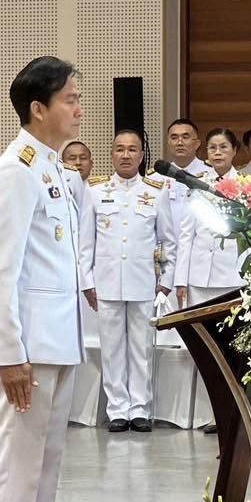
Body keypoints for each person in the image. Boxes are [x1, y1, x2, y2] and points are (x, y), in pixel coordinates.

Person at [0, 56, 92, 502]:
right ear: (38, 108)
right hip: (29, 349)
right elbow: (1, 270)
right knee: (18, 468)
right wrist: (10, 353)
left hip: (58, 341)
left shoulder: (51, 168)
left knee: (45, 470)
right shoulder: (15, 170)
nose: (79, 107)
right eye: (70, 98)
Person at [84, 129, 177, 434]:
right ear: (112, 154)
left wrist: (165, 281)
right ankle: (117, 410)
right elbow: (86, 243)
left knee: (141, 348)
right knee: (111, 349)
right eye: (119, 149)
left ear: (141, 155)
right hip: (107, 282)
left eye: (132, 150)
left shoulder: (157, 190)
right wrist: (87, 281)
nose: (125, 155)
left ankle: (140, 408)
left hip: (143, 283)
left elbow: (168, 241)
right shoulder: (94, 190)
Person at [174, 128, 245, 311]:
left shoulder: (247, 185)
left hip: (232, 274)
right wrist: (181, 279)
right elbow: (186, 235)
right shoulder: (196, 184)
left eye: (223, 147)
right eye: (212, 148)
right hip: (199, 275)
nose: (217, 152)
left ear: (234, 150)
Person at [156, 118, 208, 233]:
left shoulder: (210, 175)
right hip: (167, 245)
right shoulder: (155, 177)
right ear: (168, 143)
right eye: (174, 138)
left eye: (185, 137)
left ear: (197, 143)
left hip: (200, 245)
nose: (179, 143)